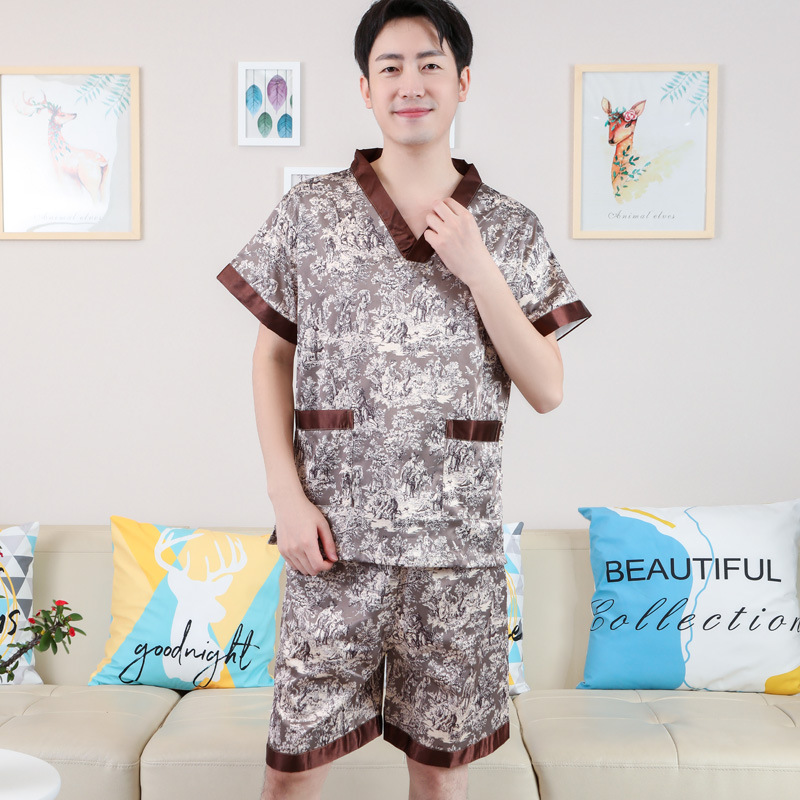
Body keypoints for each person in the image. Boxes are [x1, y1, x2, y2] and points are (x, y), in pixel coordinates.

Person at [217, 1, 590, 798]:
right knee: (289, 776)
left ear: (463, 82)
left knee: (440, 782)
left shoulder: (510, 228)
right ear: (365, 88)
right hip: (331, 549)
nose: (410, 83)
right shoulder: (310, 212)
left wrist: (478, 269)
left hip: (456, 558)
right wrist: (285, 497)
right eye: (390, 67)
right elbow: (271, 354)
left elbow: (548, 387)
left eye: (429, 64)